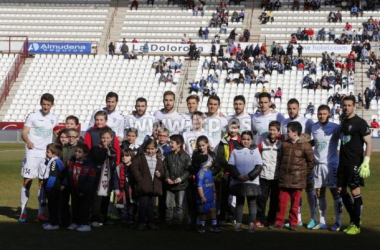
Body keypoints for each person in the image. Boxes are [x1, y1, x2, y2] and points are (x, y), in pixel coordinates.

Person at [19, 93, 58, 223]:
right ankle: (23, 212)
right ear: (41, 103)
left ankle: (40, 213)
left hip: (45, 154)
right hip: (31, 152)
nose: (46, 107)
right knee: (28, 181)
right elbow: (24, 133)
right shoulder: (33, 116)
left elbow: (56, 133)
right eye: (44, 104)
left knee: (42, 183)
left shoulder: (54, 118)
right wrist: (28, 141)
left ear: (52, 105)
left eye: (48, 104)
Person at [269, 122, 315, 231]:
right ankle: (279, 222)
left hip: (298, 181)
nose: (286, 133)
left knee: (295, 204)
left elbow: (311, 162)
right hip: (284, 179)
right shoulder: (284, 144)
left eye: (288, 131)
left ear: (295, 132)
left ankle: (293, 223)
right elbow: (280, 160)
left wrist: (303, 174)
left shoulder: (306, 145)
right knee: (281, 202)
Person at [337, 96, 372, 235]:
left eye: (349, 105)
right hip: (342, 162)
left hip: (354, 163)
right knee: (340, 190)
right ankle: (355, 218)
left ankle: (356, 225)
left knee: (355, 192)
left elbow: (369, 143)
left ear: (354, 106)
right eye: (344, 105)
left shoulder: (360, 123)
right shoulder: (343, 121)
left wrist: (366, 161)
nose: (346, 108)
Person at [281, 98, 316, 229]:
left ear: (299, 109)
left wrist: (305, 148)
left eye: (294, 108)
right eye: (289, 108)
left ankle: (313, 217)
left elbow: (314, 139)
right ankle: (298, 219)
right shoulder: (284, 122)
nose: (291, 111)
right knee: (295, 192)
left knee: (309, 189)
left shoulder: (307, 121)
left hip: (304, 162)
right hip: (292, 165)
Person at [311, 105, 342, 231]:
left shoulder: (335, 128)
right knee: (319, 192)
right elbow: (315, 142)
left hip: (331, 165)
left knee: (335, 192)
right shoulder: (314, 127)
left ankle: (338, 222)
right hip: (318, 165)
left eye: (324, 113)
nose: (322, 116)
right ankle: (322, 221)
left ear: (329, 114)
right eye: (320, 114)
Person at [228, 131, 263, 232]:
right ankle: (238, 223)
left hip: (252, 182)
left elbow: (259, 165)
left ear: (251, 140)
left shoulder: (255, 150)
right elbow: (231, 165)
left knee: (252, 203)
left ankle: (252, 223)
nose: (246, 141)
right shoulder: (235, 150)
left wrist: (249, 176)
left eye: (248, 139)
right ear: (240, 139)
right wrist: (238, 176)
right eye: (244, 139)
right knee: (239, 203)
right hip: (238, 182)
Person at [131, 138, 164, 230]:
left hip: (154, 186)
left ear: (156, 149)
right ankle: (140, 223)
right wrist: (140, 179)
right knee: (142, 205)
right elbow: (134, 168)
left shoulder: (158, 159)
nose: (150, 151)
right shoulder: (140, 157)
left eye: (152, 149)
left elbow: (162, 170)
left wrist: (160, 174)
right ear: (145, 148)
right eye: (148, 149)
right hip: (143, 186)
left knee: (151, 206)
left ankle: (150, 223)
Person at [64, 144, 97, 232]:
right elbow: (69, 175)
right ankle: (75, 222)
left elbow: (90, 180)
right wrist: (65, 184)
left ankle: (85, 224)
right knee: (75, 207)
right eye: (76, 151)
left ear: (85, 154)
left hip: (85, 191)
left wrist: (84, 190)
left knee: (84, 207)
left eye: (79, 152)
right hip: (74, 189)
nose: (77, 153)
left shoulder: (90, 165)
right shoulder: (72, 162)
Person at [90, 127, 119, 227]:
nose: (105, 140)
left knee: (106, 199)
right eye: (103, 138)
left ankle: (103, 218)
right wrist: (104, 150)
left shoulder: (113, 150)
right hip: (98, 178)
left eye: (107, 138)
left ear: (111, 138)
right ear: (100, 138)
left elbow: (113, 158)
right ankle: (94, 218)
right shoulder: (95, 149)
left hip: (108, 178)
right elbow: (98, 158)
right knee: (97, 199)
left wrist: (107, 149)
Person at [255, 121, 282, 228]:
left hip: (276, 177)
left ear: (278, 131)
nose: (271, 132)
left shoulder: (281, 144)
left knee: (274, 200)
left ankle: (271, 219)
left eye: (274, 130)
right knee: (261, 199)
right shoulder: (262, 143)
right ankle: (260, 219)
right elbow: (257, 158)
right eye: (270, 129)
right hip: (263, 176)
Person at [214, 118, 241, 225]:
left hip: (238, 173)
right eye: (231, 127)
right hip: (226, 173)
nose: (233, 130)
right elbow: (220, 157)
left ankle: (233, 216)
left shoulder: (241, 141)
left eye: (235, 128)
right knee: (224, 196)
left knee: (236, 196)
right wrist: (229, 166)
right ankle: (222, 216)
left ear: (239, 128)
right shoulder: (223, 141)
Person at [193, 136, 220, 233]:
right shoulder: (201, 173)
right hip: (204, 196)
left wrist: (214, 192)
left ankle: (214, 225)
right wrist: (202, 196)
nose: (212, 161)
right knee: (203, 211)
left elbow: (212, 182)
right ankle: (202, 225)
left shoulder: (209, 171)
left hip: (210, 195)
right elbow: (199, 186)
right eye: (210, 161)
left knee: (213, 209)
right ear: (205, 163)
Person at [164, 134, 191, 226]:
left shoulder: (186, 156)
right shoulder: (169, 155)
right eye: (170, 143)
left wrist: (180, 179)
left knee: (179, 205)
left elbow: (188, 171)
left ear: (179, 144)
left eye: (172, 143)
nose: (170, 145)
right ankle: (168, 221)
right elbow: (166, 168)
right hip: (169, 185)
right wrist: (167, 178)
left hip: (181, 186)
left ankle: (178, 221)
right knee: (169, 205)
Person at [42, 143, 65, 230]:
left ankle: (54, 223)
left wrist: (47, 187)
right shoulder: (54, 160)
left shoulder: (54, 162)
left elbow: (52, 177)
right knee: (52, 206)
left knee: (53, 206)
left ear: (54, 153)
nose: (46, 153)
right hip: (54, 188)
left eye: (48, 152)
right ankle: (51, 221)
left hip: (53, 188)